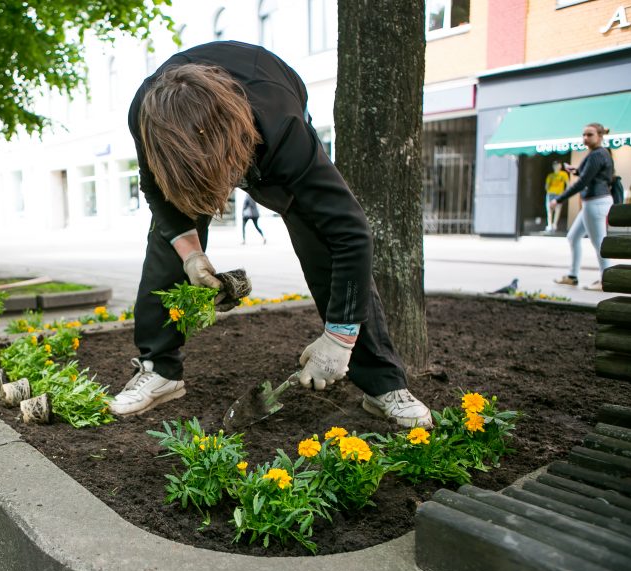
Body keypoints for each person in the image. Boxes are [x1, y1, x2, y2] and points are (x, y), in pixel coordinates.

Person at [109, 41, 431, 429]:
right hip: (193, 133)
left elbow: (351, 231)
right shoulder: (147, 119)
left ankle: (383, 383)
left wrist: (340, 337)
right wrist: (191, 255)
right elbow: (156, 191)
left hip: (264, 109)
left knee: (323, 242)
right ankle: (160, 370)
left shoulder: (286, 134)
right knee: (166, 242)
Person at [552, 123, 617, 291]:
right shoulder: (598, 154)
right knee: (573, 237)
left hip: (596, 203)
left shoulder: (597, 154)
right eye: (584, 135)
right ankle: (572, 276)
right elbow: (591, 175)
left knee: (599, 243)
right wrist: (578, 171)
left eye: (590, 134)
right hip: (593, 203)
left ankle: (606, 280)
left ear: (600, 136)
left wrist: (559, 199)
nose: (585, 138)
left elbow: (582, 183)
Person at [544, 162, 569, 232]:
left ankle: (554, 224)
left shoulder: (564, 174)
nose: (556, 166)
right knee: (549, 210)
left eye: (557, 164)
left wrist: (565, 193)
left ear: (560, 166)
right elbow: (546, 186)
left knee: (558, 209)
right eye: (554, 165)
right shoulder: (550, 176)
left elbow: (568, 184)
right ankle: (549, 225)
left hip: (559, 194)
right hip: (550, 194)